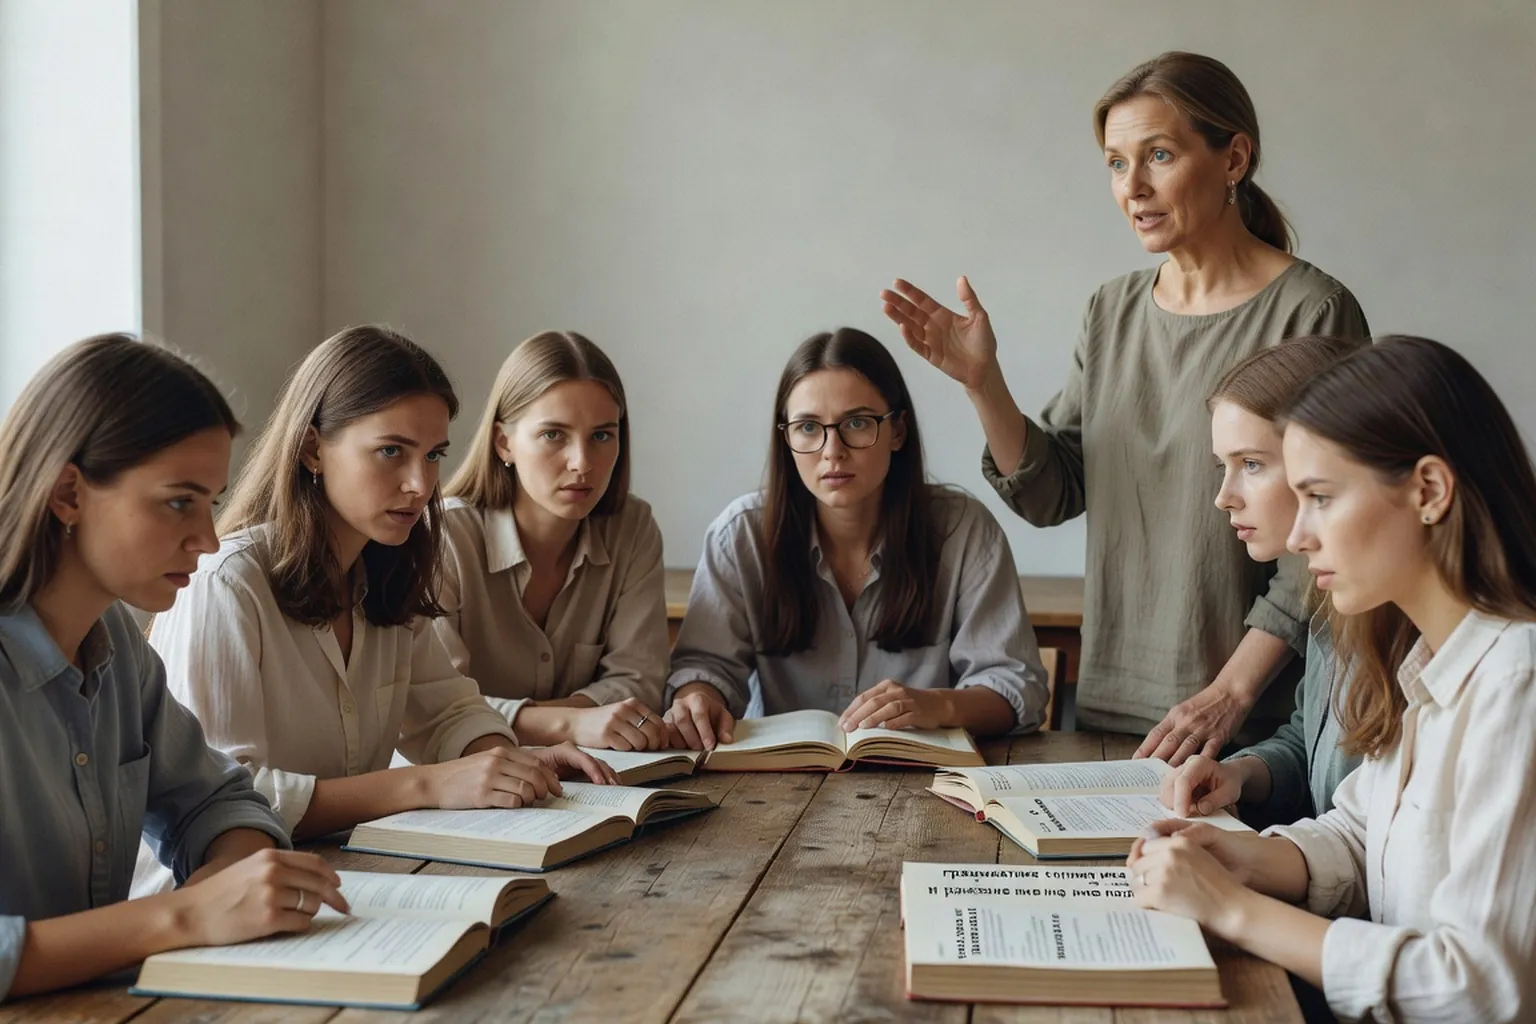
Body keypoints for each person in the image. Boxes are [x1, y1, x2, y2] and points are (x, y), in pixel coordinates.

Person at [883, 51, 1368, 763]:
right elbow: (1052, 493)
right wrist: (983, 383)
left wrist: (1229, 694)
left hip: (1257, 724)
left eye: (1158, 156)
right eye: (1116, 163)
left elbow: (1327, 529)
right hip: (1112, 709)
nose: (1132, 187)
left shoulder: (1314, 312)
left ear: (1234, 158)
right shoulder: (1110, 310)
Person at [1129, 337, 1536, 1022]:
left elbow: (1478, 988)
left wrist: (1232, 908)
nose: (1298, 537)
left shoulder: (1516, 682)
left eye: (1319, 497)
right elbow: (1359, 833)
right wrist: (1241, 857)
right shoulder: (1424, 659)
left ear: (1429, 491)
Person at [147, 326, 612, 852]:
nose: (421, 484)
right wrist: (425, 785)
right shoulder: (226, 583)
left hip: (343, 871)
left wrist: (508, 764)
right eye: (392, 451)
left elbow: (448, 712)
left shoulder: (388, 571)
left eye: (434, 455)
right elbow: (222, 798)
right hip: (216, 889)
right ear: (312, 449)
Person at [0, 335, 347, 1001]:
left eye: (211, 502)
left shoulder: (116, 644)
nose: (208, 539)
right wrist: (185, 916)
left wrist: (235, 884)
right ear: (69, 493)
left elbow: (220, 801)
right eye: (179, 501)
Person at [665, 328, 1049, 749]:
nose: (833, 450)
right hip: (779, 775)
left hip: (921, 776)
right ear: (786, 438)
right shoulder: (739, 536)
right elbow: (704, 669)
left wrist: (936, 705)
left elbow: (1018, 687)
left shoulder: (963, 530)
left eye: (857, 423)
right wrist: (698, 698)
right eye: (808, 427)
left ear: (898, 431)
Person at [1162, 336, 1363, 822]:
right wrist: (1239, 774)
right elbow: (1311, 743)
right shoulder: (1330, 602)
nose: (1224, 497)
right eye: (1224, 466)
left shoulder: (1409, 624)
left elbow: (1362, 832)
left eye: (1251, 464)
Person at [437, 331, 670, 750]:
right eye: (553, 435)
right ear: (504, 443)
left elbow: (640, 682)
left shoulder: (633, 528)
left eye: (602, 435)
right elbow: (434, 707)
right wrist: (570, 724)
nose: (582, 463)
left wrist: (545, 724)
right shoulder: (444, 537)